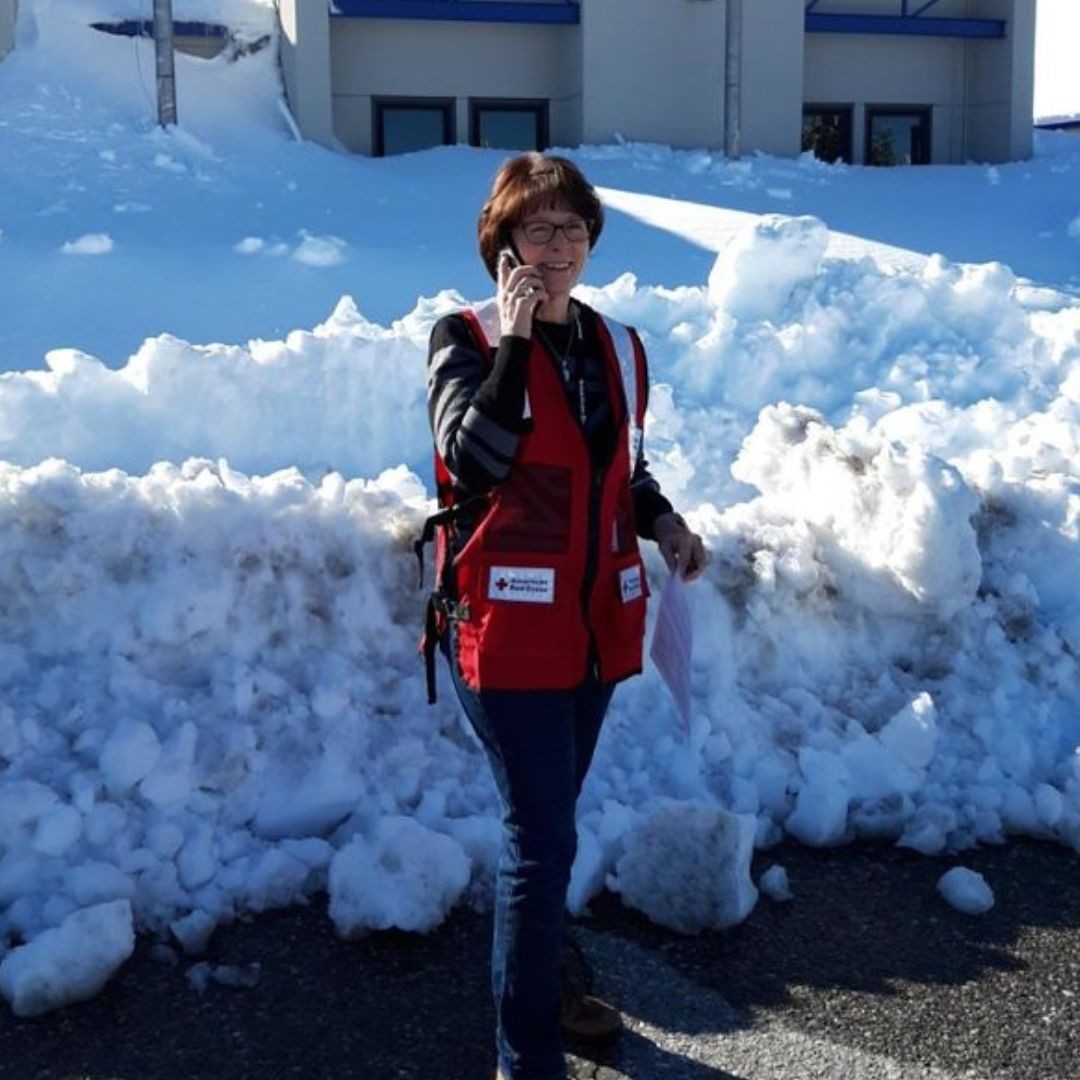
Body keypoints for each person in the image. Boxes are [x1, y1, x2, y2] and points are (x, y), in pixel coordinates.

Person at [420, 153, 707, 1080]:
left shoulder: (616, 345)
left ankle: (547, 979)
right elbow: (477, 460)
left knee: (547, 824)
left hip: (592, 630)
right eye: (536, 230)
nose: (556, 247)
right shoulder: (460, 337)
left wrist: (661, 522)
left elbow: (616, 470)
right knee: (539, 838)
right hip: (502, 633)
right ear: (501, 243)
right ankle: (525, 1053)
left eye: (572, 231)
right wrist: (514, 343)